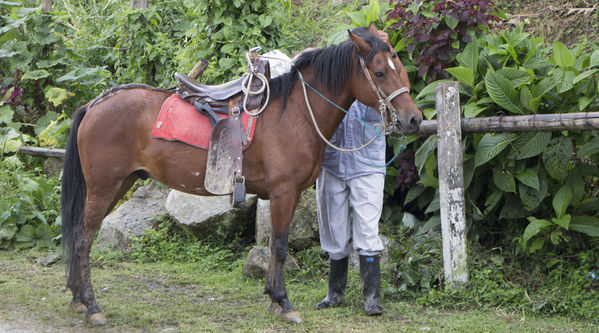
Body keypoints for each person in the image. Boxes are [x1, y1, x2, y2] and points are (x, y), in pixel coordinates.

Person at [315, 100, 386, 316]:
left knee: (367, 229)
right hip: (331, 162)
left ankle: (372, 298)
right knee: (333, 228)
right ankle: (335, 293)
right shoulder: (329, 71)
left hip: (368, 163)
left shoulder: (376, 72)